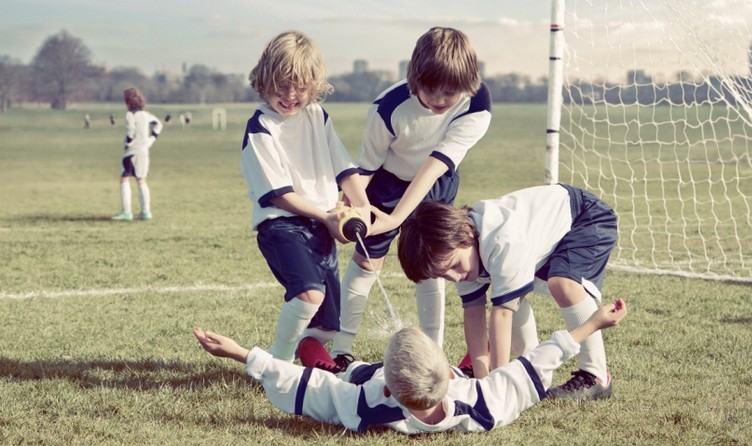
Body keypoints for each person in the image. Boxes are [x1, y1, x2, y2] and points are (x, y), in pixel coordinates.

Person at [193, 298, 627, 434]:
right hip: (458, 380)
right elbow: (538, 361)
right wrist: (593, 322)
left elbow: (298, 379)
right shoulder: (481, 406)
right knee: (492, 363)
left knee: (326, 367)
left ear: (388, 386)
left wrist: (240, 353)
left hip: (356, 375)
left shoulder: (365, 402)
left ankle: (333, 357)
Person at [331, 27, 492, 365]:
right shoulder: (388, 108)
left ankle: (432, 352)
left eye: (449, 91)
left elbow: (435, 166)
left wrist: (397, 218)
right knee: (366, 262)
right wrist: (347, 204)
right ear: (414, 77)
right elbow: (367, 166)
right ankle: (341, 349)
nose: (439, 99)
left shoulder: (477, 103)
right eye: (429, 88)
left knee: (435, 262)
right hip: (386, 181)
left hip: (436, 181)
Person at [397, 183, 619, 401]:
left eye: (454, 266)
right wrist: (483, 381)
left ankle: (596, 376)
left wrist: (497, 385)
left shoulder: (503, 242)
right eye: (444, 275)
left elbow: (502, 315)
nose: (454, 278)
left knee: (563, 284)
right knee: (509, 295)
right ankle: (533, 374)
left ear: (466, 232)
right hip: (541, 235)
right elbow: (473, 313)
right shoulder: (460, 250)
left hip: (584, 217)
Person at [240, 30, 372, 363]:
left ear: (312, 86)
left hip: (321, 226)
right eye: (281, 86)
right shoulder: (261, 127)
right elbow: (280, 195)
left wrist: (364, 208)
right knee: (309, 294)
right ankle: (276, 365)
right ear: (264, 79)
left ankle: (309, 359)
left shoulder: (317, 116)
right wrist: (326, 216)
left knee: (329, 326)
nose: (289, 95)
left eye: (300, 87)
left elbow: (345, 170)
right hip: (282, 226)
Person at [111, 87, 163, 221]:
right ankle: (146, 212)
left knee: (124, 179)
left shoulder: (130, 114)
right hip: (144, 151)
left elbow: (131, 129)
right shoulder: (146, 115)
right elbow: (159, 124)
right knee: (141, 180)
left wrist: (128, 141)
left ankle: (127, 213)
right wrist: (151, 139)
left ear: (128, 101)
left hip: (132, 152)